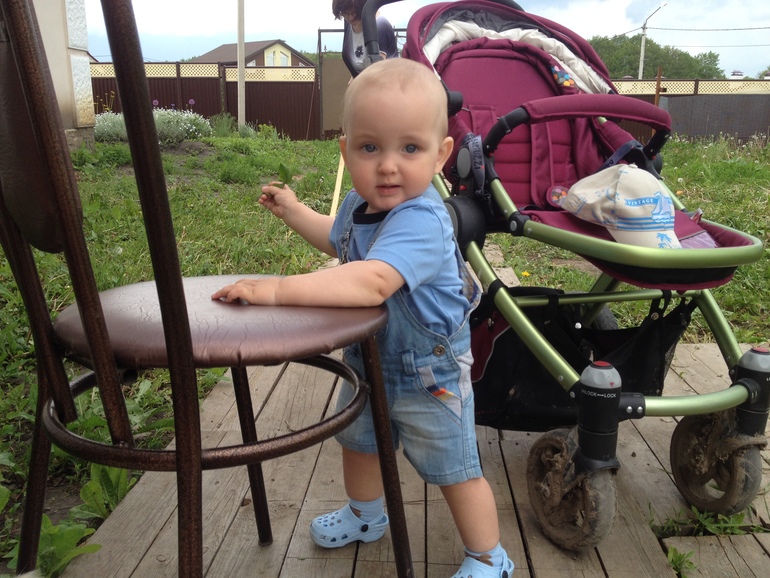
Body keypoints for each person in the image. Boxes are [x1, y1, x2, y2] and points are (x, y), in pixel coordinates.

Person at [212, 58, 514, 578]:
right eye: (370, 148)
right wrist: (294, 212)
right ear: (346, 150)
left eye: (410, 148)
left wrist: (278, 289)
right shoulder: (358, 203)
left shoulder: (422, 218)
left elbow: (373, 280)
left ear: (442, 156)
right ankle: (365, 514)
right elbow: (339, 238)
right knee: (359, 444)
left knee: (455, 469)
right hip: (368, 356)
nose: (388, 166)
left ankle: (489, 557)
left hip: (430, 374)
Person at [333, 0, 398, 77]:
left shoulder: (380, 25)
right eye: (345, 13)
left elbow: (378, 71)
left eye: (353, 12)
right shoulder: (349, 24)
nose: (350, 18)